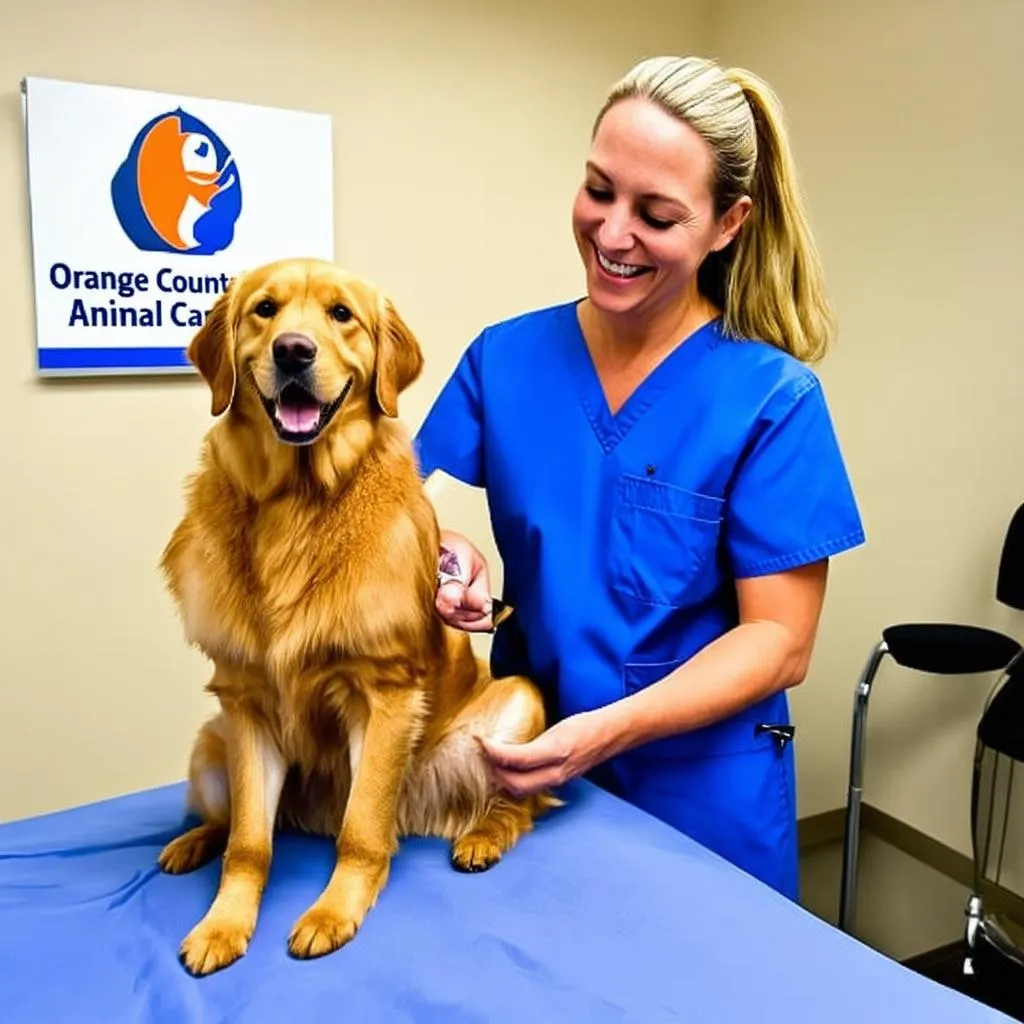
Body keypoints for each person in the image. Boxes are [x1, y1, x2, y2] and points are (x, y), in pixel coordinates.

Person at [412, 54, 865, 901]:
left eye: (655, 215)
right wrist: (444, 556)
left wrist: (606, 733)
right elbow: (399, 509)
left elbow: (781, 641)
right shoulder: (504, 359)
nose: (613, 234)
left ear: (728, 224)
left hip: (699, 791)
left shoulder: (772, 399)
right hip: (530, 767)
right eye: (598, 191)